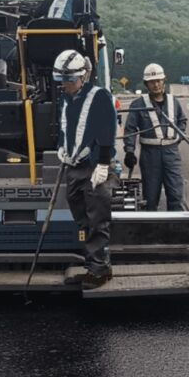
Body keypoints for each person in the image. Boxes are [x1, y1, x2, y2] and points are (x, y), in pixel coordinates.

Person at [54, 49, 117, 289]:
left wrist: (102, 163)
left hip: (94, 167)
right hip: (74, 166)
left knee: (97, 218)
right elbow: (64, 127)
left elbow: (107, 130)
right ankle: (99, 263)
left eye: (69, 80)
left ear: (82, 77)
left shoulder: (99, 96)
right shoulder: (67, 98)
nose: (65, 85)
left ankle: (98, 270)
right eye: (62, 81)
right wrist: (61, 147)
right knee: (82, 217)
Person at [123, 63, 187, 211]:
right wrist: (129, 151)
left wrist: (178, 137)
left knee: (176, 196)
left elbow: (182, 121)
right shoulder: (138, 104)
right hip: (149, 154)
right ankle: (151, 232)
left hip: (171, 153)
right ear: (146, 84)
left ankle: (176, 231)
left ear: (164, 81)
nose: (156, 84)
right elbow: (130, 129)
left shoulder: (174, 102)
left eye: (159, 80)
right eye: (152, 82)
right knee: (150, 198)